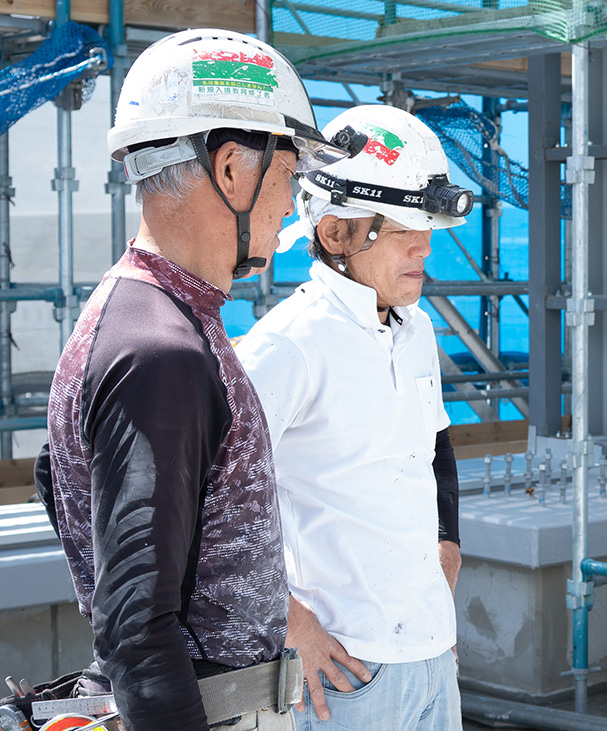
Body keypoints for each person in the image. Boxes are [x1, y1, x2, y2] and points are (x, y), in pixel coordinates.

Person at [34, 29, 354, 731]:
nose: (289, 207)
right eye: (288, 175)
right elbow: (138, 629)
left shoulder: (152, 319)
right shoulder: (160, 350)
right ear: (232, 169)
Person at [235, 105, 471, 730]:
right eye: (402, 228)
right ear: (336, 233)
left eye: (426, 228)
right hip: (343, 672)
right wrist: (288, 621)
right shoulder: (288, 345)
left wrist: (447, 547)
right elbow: (209, 499)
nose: (424, 246)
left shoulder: (415, 329)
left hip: (430, 651)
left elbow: (435, 447)